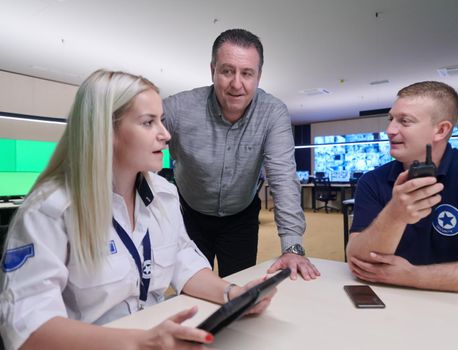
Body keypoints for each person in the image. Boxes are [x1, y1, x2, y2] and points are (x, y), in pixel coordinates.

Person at [0, 69, 276, 350]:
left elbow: (183, 259)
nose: (165, 134)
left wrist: (233, 294)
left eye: (161, 121)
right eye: (148, 123)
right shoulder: (49, 211)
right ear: (105, 131)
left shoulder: (164, 195)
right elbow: (27, 330)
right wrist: (141, 343)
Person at [163, 29, 319, 280]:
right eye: (227, 71)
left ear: (258, 76)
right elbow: (134, 130)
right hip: (188, 213)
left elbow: (282, 177)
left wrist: (292, 247)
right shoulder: (178, 108)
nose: (237, 84)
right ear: (212, 70)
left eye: (247, 73)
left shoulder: (273, 112)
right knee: (188, 286)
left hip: (240, 217)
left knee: (239, 290)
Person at [346, 81, 458, 293]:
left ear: (441, 130)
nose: (390, 130)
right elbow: (358, 262)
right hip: (392, 304)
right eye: (391, 119)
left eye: (405, 121)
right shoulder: (372, 181)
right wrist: (395, 214)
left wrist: (414, 276)